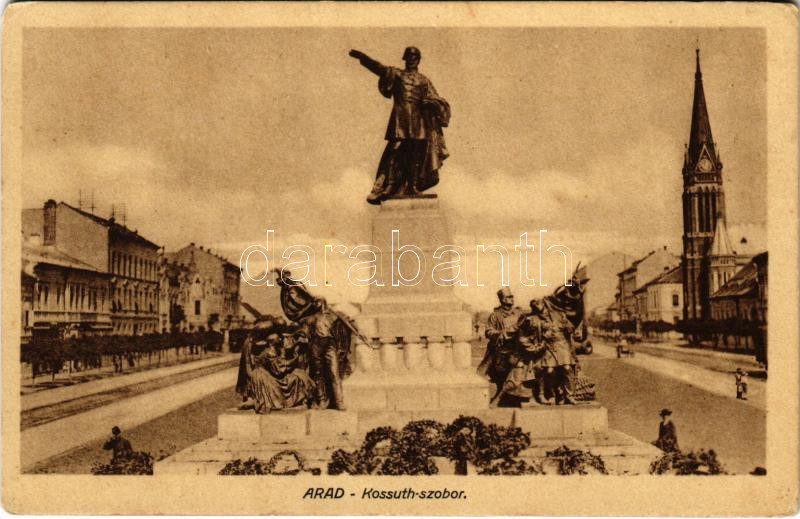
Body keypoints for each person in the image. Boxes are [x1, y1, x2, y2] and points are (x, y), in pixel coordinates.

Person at [349, 47, 450, 205]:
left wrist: (431, 103)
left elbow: (438, 100)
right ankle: (389, 185)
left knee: (416, 155)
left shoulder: (424, 81)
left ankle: (413, 187)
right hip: (400, 122)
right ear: (404, 58)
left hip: (419, 124)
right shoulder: (397, 74)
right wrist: (363, 58)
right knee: (394, 152)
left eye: (414, 57)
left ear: (418, 59)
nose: (412, 59)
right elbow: (378, 68)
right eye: (409, 56)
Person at [240, 332, 315, 414]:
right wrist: (295, 356)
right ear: (272, 342)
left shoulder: (274, 350)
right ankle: (297, 401)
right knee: (296, 378)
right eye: (278, 339)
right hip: (269, 376)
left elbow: (280, 364)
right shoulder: (270, 353)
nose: (280, 339)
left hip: (272, 374)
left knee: (300, 374)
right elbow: (279, 370)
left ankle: (303, 400)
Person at [480, 288, 525, 405]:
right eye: (509, 297)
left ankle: (503, 397)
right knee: (494, 375)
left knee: (518, 371)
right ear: (503, 300)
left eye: (512, 297)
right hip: (500, 350)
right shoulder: (495, 315)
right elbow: (488, 331)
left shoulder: (519, 314)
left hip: (516, 349)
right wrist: (500, 333)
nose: (512, 299)